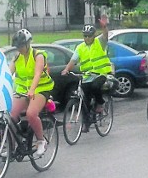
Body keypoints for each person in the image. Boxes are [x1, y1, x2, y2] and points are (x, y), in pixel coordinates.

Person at [61, 15, 112, 131]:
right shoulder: (80, 47)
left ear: (94, 35)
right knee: (84, 99)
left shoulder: (99, 43)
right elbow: (73, 61)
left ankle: (100, 103)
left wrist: (104, 27)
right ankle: (86, 122)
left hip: (100, 74)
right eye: (85, 36)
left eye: (89, 36)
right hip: (87, 76)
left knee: (95, 86)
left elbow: (105, 35)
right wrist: (66, 70)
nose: (87, 38)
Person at [9, 28, 54, 156]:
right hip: (23, 91)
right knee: (10, 115)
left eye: (22, 45)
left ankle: (41, 141)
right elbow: (7, 74)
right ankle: (11, 147)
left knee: (31, 113)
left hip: (41, 89)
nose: (19, 48)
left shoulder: (38, 55)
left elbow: (37, 74)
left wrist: (33, 89)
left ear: (28, 43)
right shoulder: (17, 57)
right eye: (17, 46)